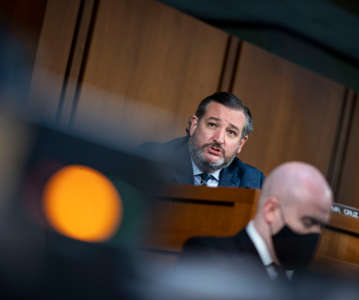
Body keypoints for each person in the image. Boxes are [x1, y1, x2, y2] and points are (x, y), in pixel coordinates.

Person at [179, 161, 333, 281]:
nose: (315, 234)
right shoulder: (209, 256)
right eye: (308, 222)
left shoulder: (306, 281)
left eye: (321, 226)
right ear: (271, 210)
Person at [138, 92, 264, 189]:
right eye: (212, 125)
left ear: (240, 144)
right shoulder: (153, 159)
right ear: (194, 125)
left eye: (231, 132)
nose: (219, 139)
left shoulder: (252, 181)